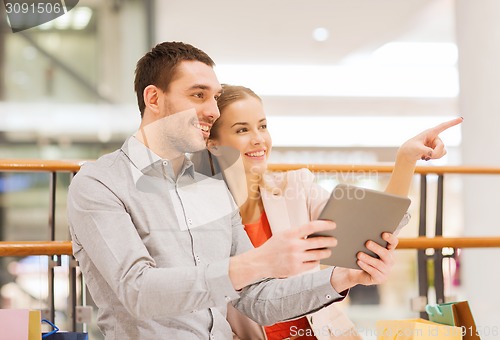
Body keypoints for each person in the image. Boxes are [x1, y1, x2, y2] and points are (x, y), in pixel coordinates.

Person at [67, 41, 401, 340]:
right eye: (198, 94)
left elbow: (257, 300)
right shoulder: (99, 183)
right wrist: (256, 262)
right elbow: (138, 290)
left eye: (214, 97)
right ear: (153, 98)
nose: (212, 110)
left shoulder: (210, 192)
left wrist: (343, 277)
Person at [204, 85, 463, 340]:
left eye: (262, 126)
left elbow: (369, 229)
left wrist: (406, 160)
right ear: (213, 144)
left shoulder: (295, 187)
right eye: (242, 130)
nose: (258, 138)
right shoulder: (200, 214)